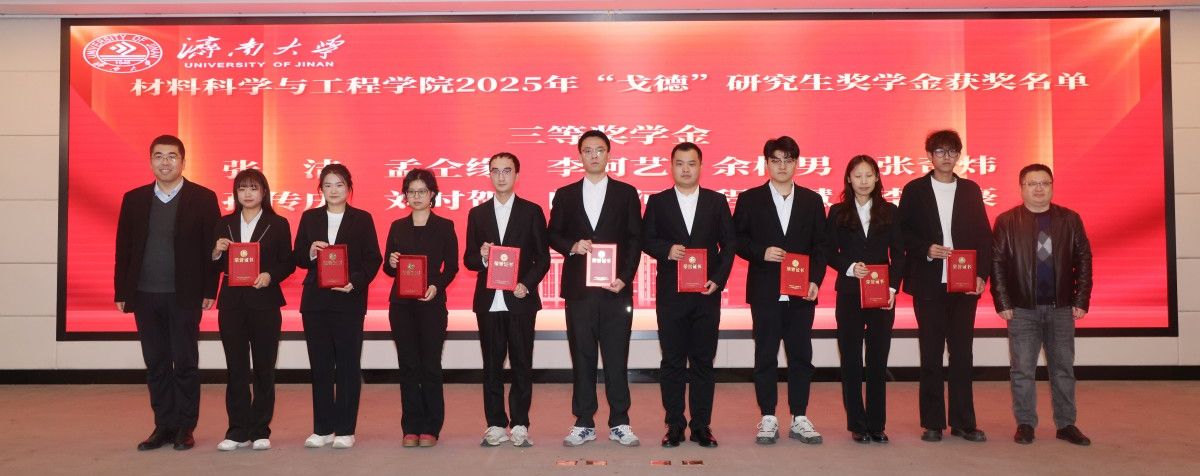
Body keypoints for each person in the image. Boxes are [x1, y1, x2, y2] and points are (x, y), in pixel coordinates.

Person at [114, 134, 220, 451]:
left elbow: (212, 249)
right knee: (157, 362)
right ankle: (163, 425)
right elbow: (124, 249)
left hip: (184, 295)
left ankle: (185, 426)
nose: (165, 162)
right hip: (145, 294)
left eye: (172, 156)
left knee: (185, 361)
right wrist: (122, 290)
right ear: (150, 161)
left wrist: (210, 288)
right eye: (159, 156)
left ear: (183, 161)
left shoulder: (203, 198)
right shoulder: (134, 199)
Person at [548, 130, 644, 447]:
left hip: (615, 290)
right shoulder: (565, 194)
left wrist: (625, 277)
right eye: (587, 150)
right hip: (579, 292)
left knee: (617, 357)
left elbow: (635, 239)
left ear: (608, 154)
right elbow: (552, 234)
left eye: (599, 150)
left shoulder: (626, 193)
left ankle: (620, 421)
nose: (593, 155)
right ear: (579, 155)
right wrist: (572, 245)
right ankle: (584, 422)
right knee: (582, 357)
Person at [898, 129, 993, 443]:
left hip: (963, 284)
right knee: (931, 353)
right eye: (940, 151)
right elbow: (901, 234)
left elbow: (984, 237)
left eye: (952, 151)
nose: (946, 157)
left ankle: (964, 422)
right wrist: (926, 248)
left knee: (962, 354)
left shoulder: (970, 190)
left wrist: (982, 275)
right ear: (929, 156)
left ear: (959, 156)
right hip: (929, 284)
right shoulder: (914, 190)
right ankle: (933, 423)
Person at [733, 136, 828, 445]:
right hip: (765, 291)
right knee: (766, 355)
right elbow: (737, 240)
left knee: (801, 355)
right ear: (767, 164)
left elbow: (821, 245)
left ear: (797, 164)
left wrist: (815, 280)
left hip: (802, 292)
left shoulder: (812, 200)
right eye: (776, 160)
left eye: (788, 160)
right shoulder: (750, 199)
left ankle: (800, 416)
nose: (782, 166)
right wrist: (761, 252)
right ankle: (768, 417)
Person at [642, 142, 736, 448]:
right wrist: (666, 250)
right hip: (671, 296)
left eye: (691, 163)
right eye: (680, 163)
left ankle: (701, 426)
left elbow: (729, 245)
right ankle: (674, 424)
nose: (685, 169)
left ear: (700, 167)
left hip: (706, 294)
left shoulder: (716, 201)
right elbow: (646, 239)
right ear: (671, 166)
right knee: (672, 361)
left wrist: (718, 280)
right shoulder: (658, 201)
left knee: (702, 362)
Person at [991, 163, 1093, 446]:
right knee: (1022, 369)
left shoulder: (1070, 219)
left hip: (1062, 308)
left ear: (1051, 186)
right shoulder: (1007, 221)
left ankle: (1066, 424)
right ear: (1021, 187)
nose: (1039, 188)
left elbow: (1084, 260)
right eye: (1032, 183)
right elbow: (997, 263)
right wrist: (1003, 301)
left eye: (1044, 183)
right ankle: (1025, 423)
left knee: (1063, 369)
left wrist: (1081, 299)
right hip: (1022, 309)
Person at [463, 153, 550, 447]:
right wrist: (482, 256)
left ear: (516, 175)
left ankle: (521, 423)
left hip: (520, 299)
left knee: (522, 363)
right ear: (489, 175)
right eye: (495, 171)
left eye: (507, 171)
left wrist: (527, 284)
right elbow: (469, 259)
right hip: (488, 302)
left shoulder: (532, 211)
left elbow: (543, 258)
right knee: (491, 366)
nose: (501, 176)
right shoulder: (477, 214)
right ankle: (496, 424)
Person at [294, 163, 382, 449]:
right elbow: (297, 256)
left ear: (349, 188)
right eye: (328, 185)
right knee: (320, 366)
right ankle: (322, 428)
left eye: (339, 184)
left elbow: (373, 258)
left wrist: (354, 282)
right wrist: (309, 252)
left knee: (347, 365)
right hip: (315, 302)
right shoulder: (309, 217)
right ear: (320, 189)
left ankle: (345, 429)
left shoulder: (362, 219)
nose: (333, 190)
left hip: (348, 301)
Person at [210, 169, 295, 451]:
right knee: (235, 368)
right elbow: (213, 265)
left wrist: (270, 275)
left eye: (253, 188)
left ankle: (260, 430)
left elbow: (288, 262)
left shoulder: (278, 223)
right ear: (236, 193)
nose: (247, 194)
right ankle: (236, 430)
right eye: (242, 188)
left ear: (264, 192)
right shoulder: (224, 223)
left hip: (265, 303)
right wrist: (216, 252)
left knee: (263, 368)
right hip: (232, 305)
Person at [823, 155, 904, 444]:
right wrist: (848, 267)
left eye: (869, 175)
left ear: (877, 178)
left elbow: (899, 254)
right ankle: (857, 424)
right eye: (858, 176)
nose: (864, 181)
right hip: (849, 294)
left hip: (881, 296)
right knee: (851, 360)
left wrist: (892, 288)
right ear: (848, 179)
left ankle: (877, 424)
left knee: (878, 360)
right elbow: (827, 250)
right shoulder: (838, 212)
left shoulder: (890, 211)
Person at [383, 168, 459, 448]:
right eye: (411, 192)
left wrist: (436, 286)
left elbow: (452, 267)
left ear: (432, 194)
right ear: (405, 195)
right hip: (401, 306)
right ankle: (411, 426)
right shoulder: (397, 226)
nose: (416, 196)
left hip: (432, 304)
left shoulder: (445, 226)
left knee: (430, 365)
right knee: (408, 366)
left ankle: (431, 426)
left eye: (422, 191)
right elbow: (388, 268)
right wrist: (392, 262)